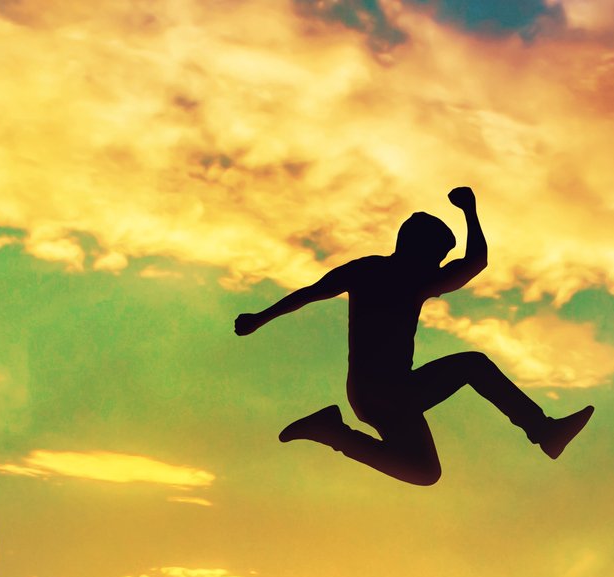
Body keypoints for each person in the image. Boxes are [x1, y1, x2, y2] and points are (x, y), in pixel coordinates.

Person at [233, 186, 593, 486]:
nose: (439, 266)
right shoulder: (397, 276)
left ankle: (333, 432)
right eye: (437, 257)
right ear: (418, 248)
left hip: (383, 394)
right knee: (472, 365)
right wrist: (469, 210)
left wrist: (259, 319)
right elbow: (311, 293)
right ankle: (543, 431)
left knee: (425, 471)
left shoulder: (381, 272)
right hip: (387, 392)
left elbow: (308, 293)